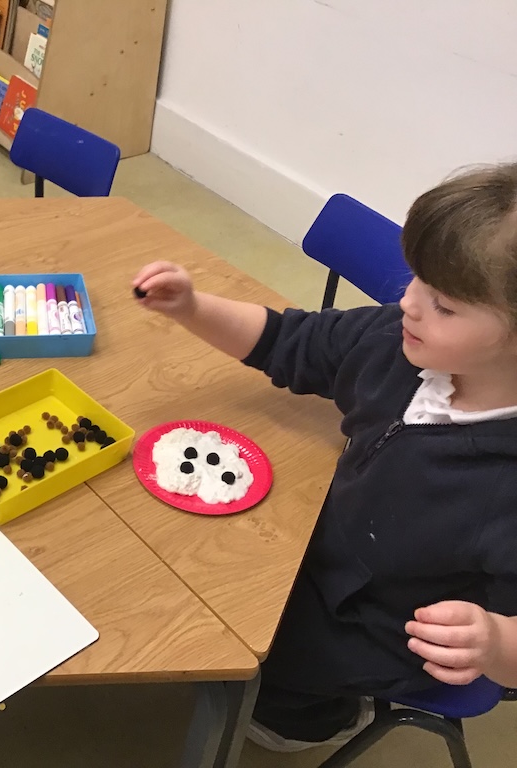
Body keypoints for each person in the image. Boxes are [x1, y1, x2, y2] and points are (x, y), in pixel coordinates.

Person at [132, 163, 517, 752]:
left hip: (378, 622)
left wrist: (494, 642)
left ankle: (311, 718)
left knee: (239, 646)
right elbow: (290, 341)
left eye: (443, 305)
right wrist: (191, 306)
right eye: (415, 280)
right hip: (325, 538)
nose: (407, 302)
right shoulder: (397, 341)